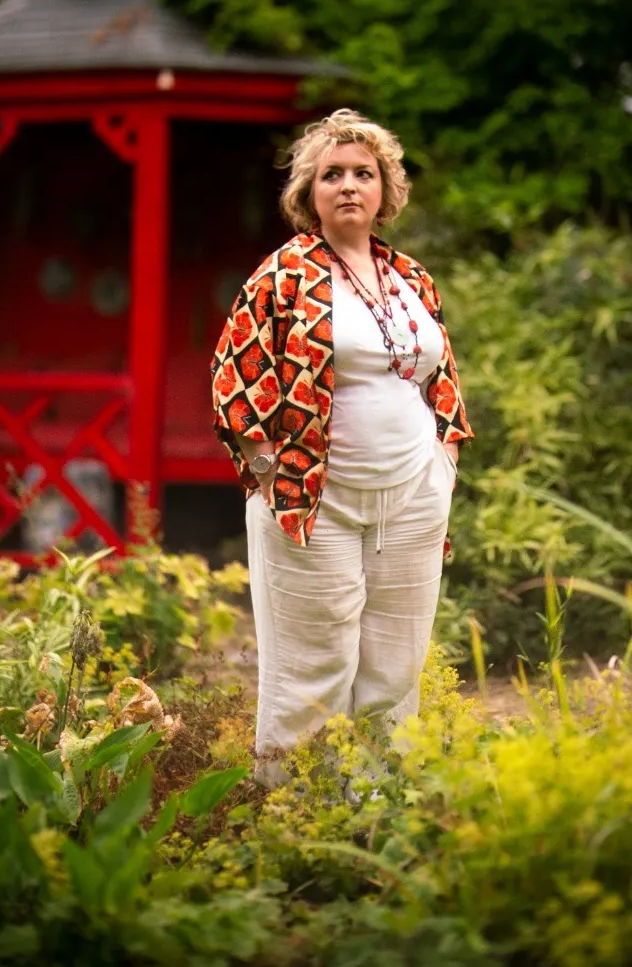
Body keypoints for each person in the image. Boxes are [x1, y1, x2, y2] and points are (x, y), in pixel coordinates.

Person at [210, 108, 474, 786]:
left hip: (413, 495)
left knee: (395, 659)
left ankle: (378, 809)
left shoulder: (411, 278)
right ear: (309, 193)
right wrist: (269, 474)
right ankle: (294, 818)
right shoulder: (284, 276)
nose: (349, 185)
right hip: (313, 499)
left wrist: (445, 464)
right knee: (312, 664)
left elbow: (441, 380)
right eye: (333, 174)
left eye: (364, 172)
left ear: (386, 188)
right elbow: (231, 382)